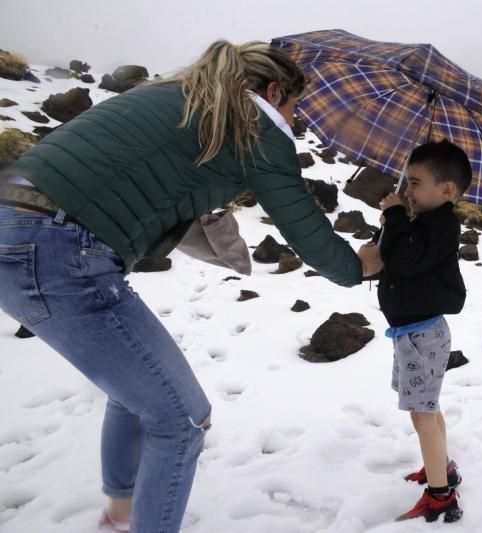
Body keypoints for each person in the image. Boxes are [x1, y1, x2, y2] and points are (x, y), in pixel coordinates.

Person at [0, 39, 381, 533]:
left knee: (136, 391)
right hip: (59, 249)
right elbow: (306, 230)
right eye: (293, 104)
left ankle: (120, 516)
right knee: (182, 420)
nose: (294, 116)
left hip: (14, 227)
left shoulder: (174, 96)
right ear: (271, 91)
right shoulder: (257, 127)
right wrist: (361, 266)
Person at [371, 139, 471, 523]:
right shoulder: (426, 222)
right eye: (407, 182)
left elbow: (408, 259)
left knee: (422, 415)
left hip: (421, 337)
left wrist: (396, 219)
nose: (406, 191)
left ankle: (441, 496)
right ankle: (440, 467)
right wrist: (394, 224)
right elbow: (401, 254)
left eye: (414, 183)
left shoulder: (443, 223)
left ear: (446, 190)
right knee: (427, 409)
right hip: (413, 334)